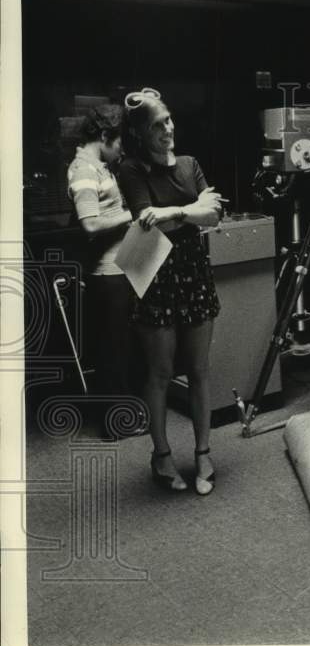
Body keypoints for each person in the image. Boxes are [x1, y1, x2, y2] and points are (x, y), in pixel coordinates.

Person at [116, 88, 223, 495]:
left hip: (193, 272)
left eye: (169, 120)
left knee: (199, 369)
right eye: (157, 125)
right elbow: (148, 223)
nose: (168, 128)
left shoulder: (190, 164)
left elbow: (215, 214)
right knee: (160, 372)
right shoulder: (131, 169)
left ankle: (203, 453)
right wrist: (190, 211)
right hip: (155, 271)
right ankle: (161, 455)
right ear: (140, 133)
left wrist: (174, 211)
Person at [66, 105, 134, 438]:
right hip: (105, 273)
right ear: (105, 135)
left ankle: (119, 418)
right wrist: (133, 214)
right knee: (111, 349)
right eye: (119, 141)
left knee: (119, 345)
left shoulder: (98, 166)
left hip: (119, 265)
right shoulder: (83, 169)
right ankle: (113, 425)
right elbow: (90, 224)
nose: (121, 149)